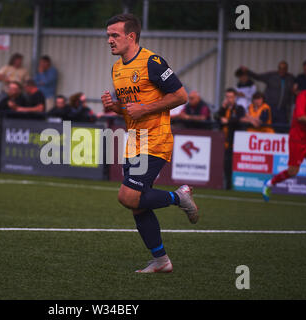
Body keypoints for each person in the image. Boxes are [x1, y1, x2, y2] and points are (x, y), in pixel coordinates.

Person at [101, 13, 198, 274]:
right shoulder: (117, 68)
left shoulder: (152, 62)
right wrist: (116, 108)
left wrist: (145, 109)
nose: (109, 40)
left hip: (155, 140)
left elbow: (180, 95)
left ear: (131, 36)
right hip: (134, 141)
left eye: (115, 35)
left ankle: (178, 197)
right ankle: (161, 261)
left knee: (128, 196)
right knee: (137, 205)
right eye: (108, 35)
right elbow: (132, 110)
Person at [263, 73, 306, 205]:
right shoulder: (303, 95)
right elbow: (300, 116)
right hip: (297, 138)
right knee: (293, 171)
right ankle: (269, 183)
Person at [242, 61, 295, 126]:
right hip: (270, 108)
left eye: (284, 69)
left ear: (287, 69)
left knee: (282, 128)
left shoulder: (290, 78)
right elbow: (258, 77)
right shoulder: (271, 76)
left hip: (283, 110)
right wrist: (248, 71)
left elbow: (295, 89)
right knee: (268, 126)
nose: (282, 70)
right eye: (280, 68)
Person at [217, 88, 246, 189]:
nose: (229, 99)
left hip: (234, 141)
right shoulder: (224, 108)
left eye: (231, 97)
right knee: (224, 164)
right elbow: (215, 116)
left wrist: (227, 121)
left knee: (231, 164)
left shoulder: (239, 108)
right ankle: (225, 185)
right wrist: (222, 108)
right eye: (227, 97)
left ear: (235, 98)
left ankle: (230, 185)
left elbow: (239, 119)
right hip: (223, 140)